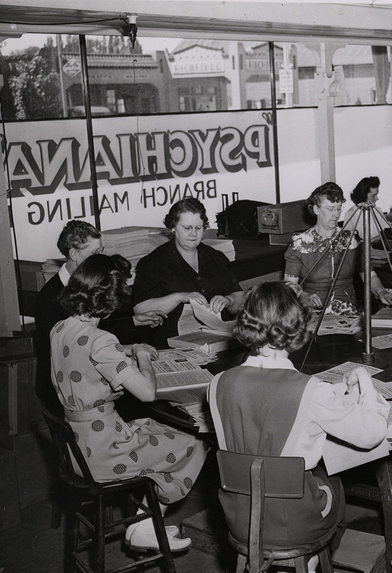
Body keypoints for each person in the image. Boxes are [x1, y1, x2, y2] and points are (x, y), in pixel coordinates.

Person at [207, 281, 389, 573]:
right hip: (293, 522)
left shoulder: (218, 383)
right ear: (297, 326)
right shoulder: (310, 389)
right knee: (334, 486)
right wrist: (363, 380)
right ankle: (302, 571)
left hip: (240, 517)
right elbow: (370, 434)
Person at [50, 254, 208, 552]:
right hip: (105, 453)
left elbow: (87, 352)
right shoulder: (101, 340)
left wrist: (128, 347)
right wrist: (144, 357)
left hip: (77, 449)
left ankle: (146, 523)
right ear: (112, 300)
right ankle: (144, 526)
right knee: (192, 440)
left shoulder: (59, 329)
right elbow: (148, 392)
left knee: (154, 428)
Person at [34, 221, 164, 414]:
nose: (101, 258)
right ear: (74, 254)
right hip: (68, 394)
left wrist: (134, 322)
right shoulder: (51, 298)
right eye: (95, 253)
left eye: (101, 250)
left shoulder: (87, 288)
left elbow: (89, 334)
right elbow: (83, 343)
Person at [133, 198, 244, 349]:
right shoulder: (153, 263)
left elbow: (239, 300)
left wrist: (228, 300)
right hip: (173, 344)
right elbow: (140, 309)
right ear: (173, 227)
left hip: (219, 341)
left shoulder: (215, 257)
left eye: (199, 228)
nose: (193, 234)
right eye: (187, 228)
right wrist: (179, 297)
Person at [284, 182, 392, 315]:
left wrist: (381, 291)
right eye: (330, 209)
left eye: (339, 208)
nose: (336, 214)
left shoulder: (352, 241)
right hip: (313, 311)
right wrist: (304, 296)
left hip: (348, 311)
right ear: (316, 209)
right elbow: (289, 285)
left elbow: (369, 274)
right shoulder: (299, 243)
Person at [342, 176, 392, 242]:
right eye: (373, 195)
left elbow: (386, 230)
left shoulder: (378, 210)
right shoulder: (350, 214)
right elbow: (348, 239)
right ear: (363, 195)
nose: (377, 198)